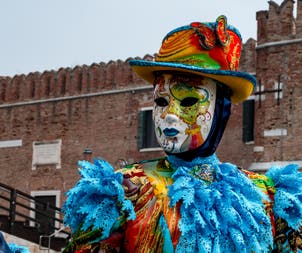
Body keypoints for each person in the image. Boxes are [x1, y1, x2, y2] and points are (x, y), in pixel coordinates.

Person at [62, 16, 302, 252]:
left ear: (221, 110)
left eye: (188, 100)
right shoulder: (125, 191)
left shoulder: (266, 195)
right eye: (161, 101)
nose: (170, 115)